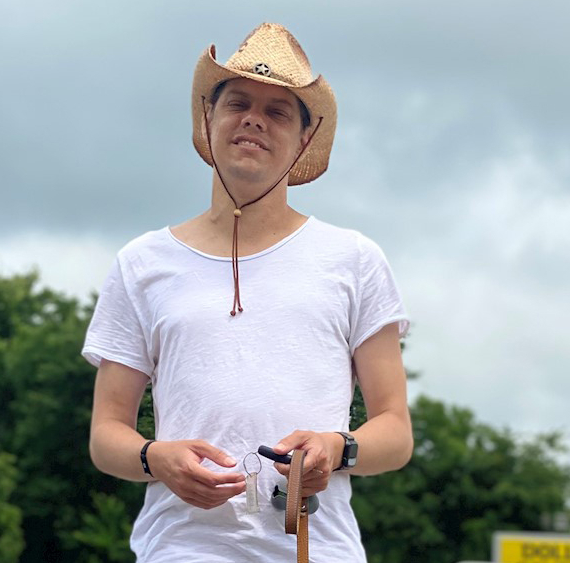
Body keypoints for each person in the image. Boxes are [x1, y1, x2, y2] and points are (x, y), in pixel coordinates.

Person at [82, 23, 413, 562]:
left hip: (316, 548)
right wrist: (155, 457)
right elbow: (105, 436)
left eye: (279, 111)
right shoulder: (141, 263)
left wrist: (337, 447)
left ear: (306, 138)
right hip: (180, 548)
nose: (254, 118)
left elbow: (395, 432)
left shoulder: (354, 260)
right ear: (208, 117)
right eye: (238, 102)